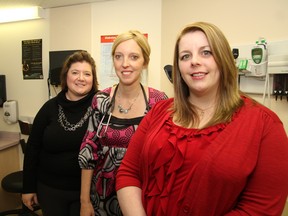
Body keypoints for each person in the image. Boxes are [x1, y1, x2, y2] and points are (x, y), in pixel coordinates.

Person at [116, 22, 288, 216]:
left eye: (206, 52)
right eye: (185, 56)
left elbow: (260, 209)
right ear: (178, 67)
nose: (194, 61)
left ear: (223, 58)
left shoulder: (265, 125)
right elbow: (129, 172)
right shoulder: (159, 111)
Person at [78, 30, 168, 216]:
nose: (125, 64)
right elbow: (89, 152)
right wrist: (84, 201)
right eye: (119, 57)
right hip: (101, 199)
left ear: (145, 62)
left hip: (144, 197)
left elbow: (166, 157)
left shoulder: (158, 102)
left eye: (134, 57)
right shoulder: (101, 99)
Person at [22, 50, 99, 216]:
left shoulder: (101, 107)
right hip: (50, 189)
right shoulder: (49, 108)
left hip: (88, 193)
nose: (81, 78)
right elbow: (33, 148)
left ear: (93, 79)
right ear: (66, 76)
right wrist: (28, 187)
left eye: (87, 73)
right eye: (75, 72)